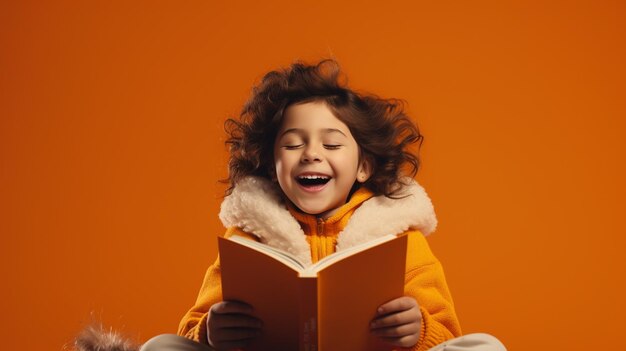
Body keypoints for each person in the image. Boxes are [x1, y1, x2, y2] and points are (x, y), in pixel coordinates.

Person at [140, 59, 506, 351]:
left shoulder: (401, 239)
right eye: (293, 144)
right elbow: (189, 328)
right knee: (160, 346)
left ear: (364, 167)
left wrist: (419, 329)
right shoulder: (246, 240)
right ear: (271, 164)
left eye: (331, 145)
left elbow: (448, 331)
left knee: (485, 346)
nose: (312, 154)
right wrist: (210, 331)